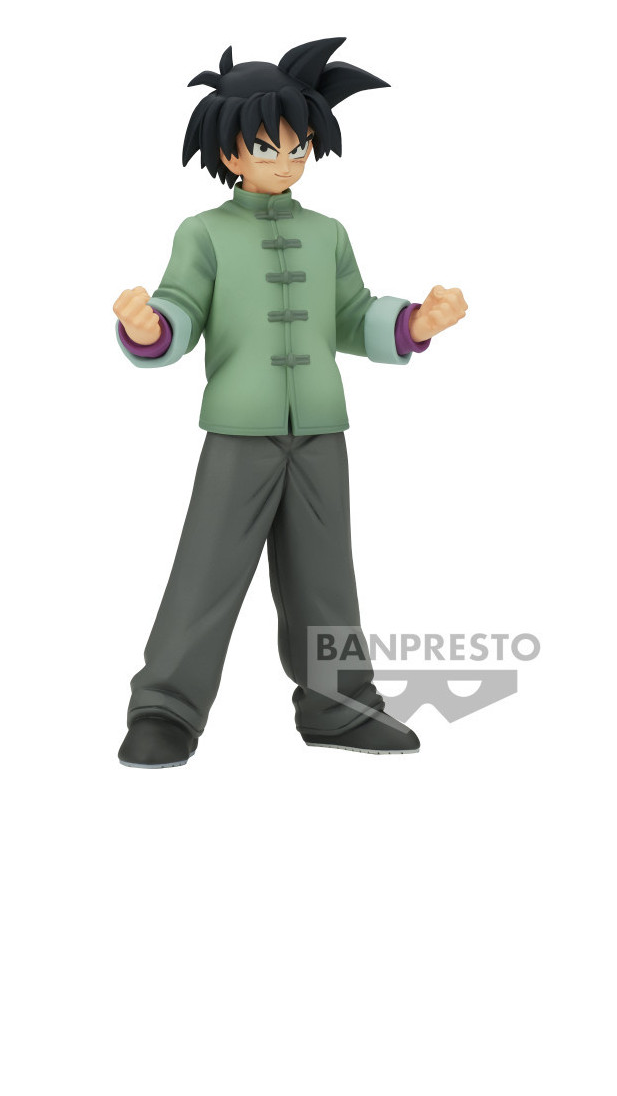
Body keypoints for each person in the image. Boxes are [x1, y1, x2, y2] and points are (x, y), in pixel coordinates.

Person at [113, 38, 467, 767]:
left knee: (326, 575)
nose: (287, 160)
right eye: (268, 147)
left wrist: (413, 323)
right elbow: (181, 307)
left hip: (321, 431)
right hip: (238, 431)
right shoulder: (204, 233)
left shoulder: (326, 234)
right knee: (207, 569)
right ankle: (165, 708)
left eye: (299, 145)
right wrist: (151, 329)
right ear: (229, 151)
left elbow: (351, 314)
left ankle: (338, 705)